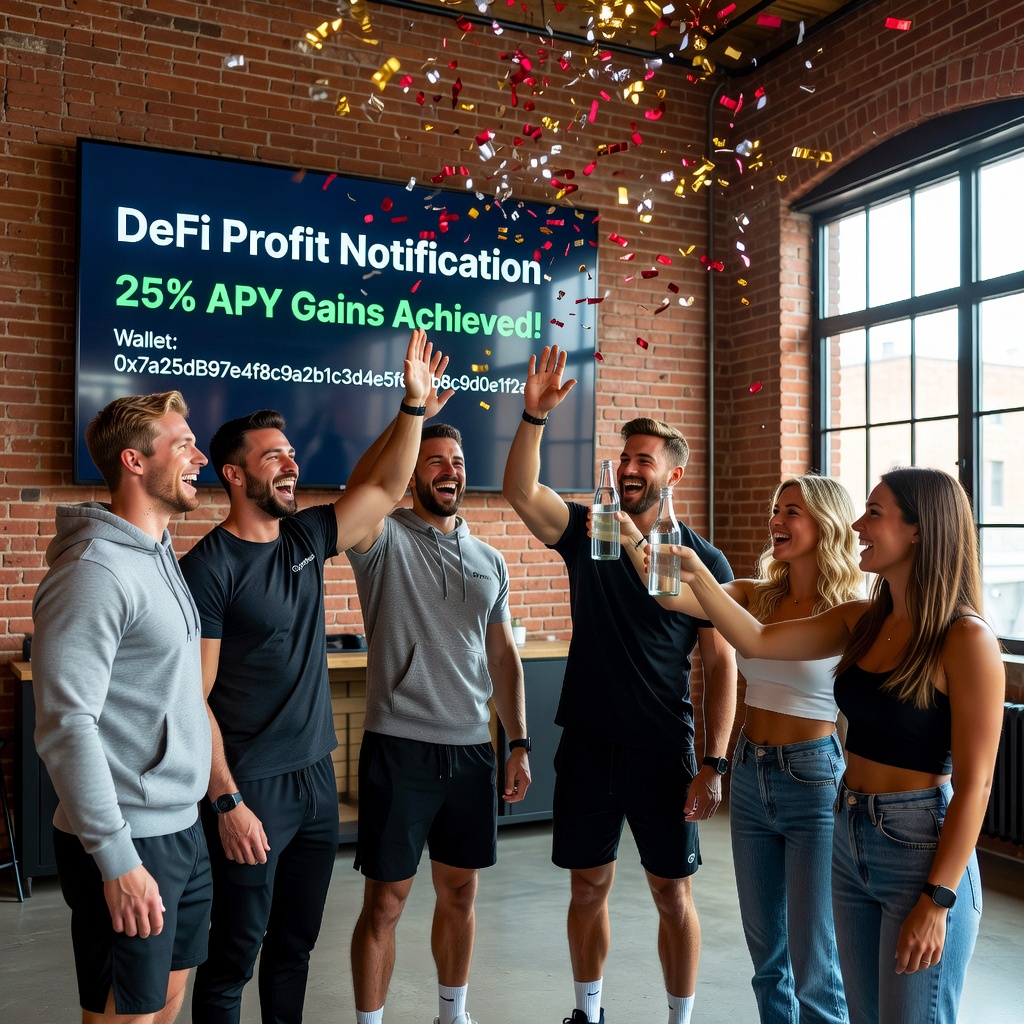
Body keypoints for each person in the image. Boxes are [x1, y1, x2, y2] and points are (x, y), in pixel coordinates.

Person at [673, 467, 1005, 1024]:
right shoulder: (862, 620)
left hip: (919, 845)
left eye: (874, 513)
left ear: (920, 530)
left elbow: (977, 785)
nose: (858, 524)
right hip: (850, 831)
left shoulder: (965, 638)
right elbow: (754, 638)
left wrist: (938, 899)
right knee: (855, 1011)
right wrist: (691, 569)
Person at [180, 330, 441, 1024]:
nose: (290, 465)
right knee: (233, 955)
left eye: (291, 455)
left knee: (294, 947)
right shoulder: (207, 570)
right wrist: (227, 801)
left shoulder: (303, 537)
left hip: (315, 778)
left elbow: (386, 487)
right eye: (273, 458)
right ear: (234, 474)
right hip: (251, 784)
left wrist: (412, 406)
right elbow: (190, 698)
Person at [502, 345, 737, 1024]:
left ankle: (678, 1019)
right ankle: (588, 1012)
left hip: (663, 749)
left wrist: (714, 763)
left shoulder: (701, 559)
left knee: (672, 895)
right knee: (588, 887)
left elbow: (722, 667)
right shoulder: (587, 531)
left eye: (645, 459)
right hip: (587, 744)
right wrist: (533, 416)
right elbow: (521, 491)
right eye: (625, 457)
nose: (630, 468)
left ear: (674, 473)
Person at [620, 475, 861, 1023]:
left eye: (792, 511)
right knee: (767, 960)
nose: (777, 519)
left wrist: (692, 564)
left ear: (826, 522)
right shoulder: (755, 593)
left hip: (814, 780)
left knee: (815, 962)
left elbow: (754, 643)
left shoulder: (850, 608)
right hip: (753, 776)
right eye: (776, 508)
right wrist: (635, 533)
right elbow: (667, 592)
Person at [32, 391, 213, 1024]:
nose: (201, 456)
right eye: (183, 445)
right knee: (123, 1014)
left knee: (166, 997)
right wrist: (116, 857)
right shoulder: (93, 571)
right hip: (129, 836)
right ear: (134, 461)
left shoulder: (157, 555)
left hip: (180, 825)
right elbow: (65, 724)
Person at [345, 418, 531, 1024]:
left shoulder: (489, 559)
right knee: (386, 903)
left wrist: (519, 742)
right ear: (411, 472)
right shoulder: (381, 540)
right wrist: (409, 418)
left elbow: (502, 657)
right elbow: (361, 489)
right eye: (433, 460)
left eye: (456, 460)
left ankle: (453, 1015)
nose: (449, 469)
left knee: (460, 893)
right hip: (399, 747)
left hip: (472, 749)